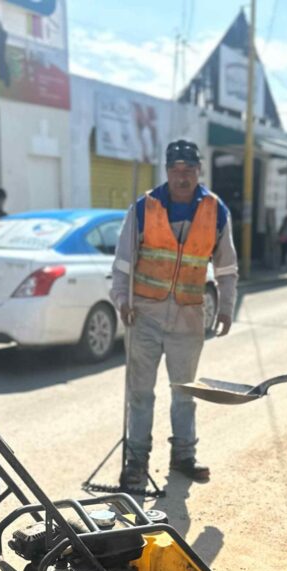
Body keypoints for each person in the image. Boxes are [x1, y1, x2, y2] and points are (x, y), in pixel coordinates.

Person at [111, 139, 237, 489]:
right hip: (144, 315)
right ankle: (135, 463)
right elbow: (123, 263)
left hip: (188, 317)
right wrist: (121, 299)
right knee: (140, 393)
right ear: (167, 171)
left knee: (185, 392)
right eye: (176, 171)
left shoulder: (215, 210)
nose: (182, 178)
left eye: (189, 171)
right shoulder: (143, 208)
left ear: (199, 171)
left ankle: (183, 457)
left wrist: (226, 306)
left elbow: (226, 268)